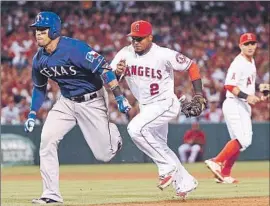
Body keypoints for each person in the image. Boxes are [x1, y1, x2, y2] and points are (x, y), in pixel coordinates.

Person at [24, 12, 131, 204]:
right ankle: (51, 195)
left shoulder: (74, 48)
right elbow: (39, 88)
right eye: (36, 30)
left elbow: (104, 69)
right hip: (66, 102)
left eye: (42, 30)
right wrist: (32, 112)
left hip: (92, 100)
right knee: (47, 140)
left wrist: (119, 96)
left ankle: (112, 133)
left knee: (104, 154)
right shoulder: (39, 59)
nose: (37, 34)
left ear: (54, 30)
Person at [111, 20, 207, 199]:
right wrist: (117, 72)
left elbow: (191, 66)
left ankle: (166, 167)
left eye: (140, 38)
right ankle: (185, 181)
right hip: (146, 106)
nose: (136, 42)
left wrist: (199, 94)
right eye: (133, 38)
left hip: (165, 102)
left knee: (135, 129)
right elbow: (109, 77)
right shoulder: (125, 53)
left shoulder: (163, 54)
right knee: (160, 146)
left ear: (150, 37)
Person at [205, 33, 269, 184]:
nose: (250, 46)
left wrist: (261, 88)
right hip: (235, 103)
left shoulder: (251, 61)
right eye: (246, 44)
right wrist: (248, 96)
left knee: (239, 142)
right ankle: (217, 161)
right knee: (243, 140)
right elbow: (229, 85)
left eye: (252, 43)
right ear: (240, 46)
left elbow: (247, 85)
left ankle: (225, 174)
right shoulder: (238, 63)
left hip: (242, 104)